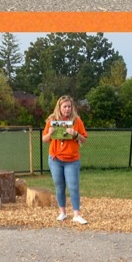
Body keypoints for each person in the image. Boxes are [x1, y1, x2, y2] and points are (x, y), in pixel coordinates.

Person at [41, 94, 88, 223]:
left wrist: (76, 134)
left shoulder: (77, 121)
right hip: (55, 159)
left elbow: (84, 139)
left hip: (72, 160)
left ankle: (76, 215)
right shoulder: (52, 120)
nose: (67, 109)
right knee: (59, 186)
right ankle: (62, 212)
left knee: (73, 186)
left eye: (69, 106)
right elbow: (44, 139)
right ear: (59, 107)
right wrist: (50, 133)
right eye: (65, 106)